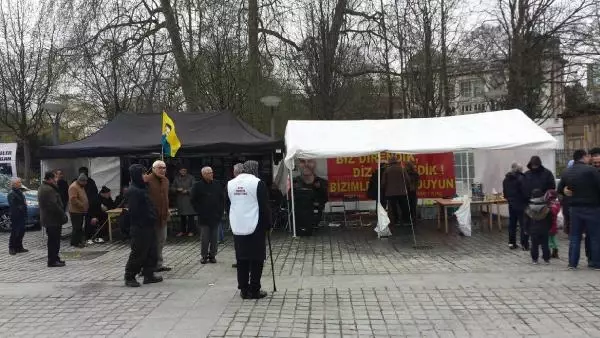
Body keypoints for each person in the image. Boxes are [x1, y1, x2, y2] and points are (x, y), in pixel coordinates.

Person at [227, 160, 272, 299]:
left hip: (237, 225)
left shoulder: (230, 183)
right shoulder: (258, 183)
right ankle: (254, 289)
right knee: (257, 258)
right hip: (255, 225)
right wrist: (268, 225)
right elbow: (264, 206)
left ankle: (243, 289)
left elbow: (228, 204)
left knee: (241, 259)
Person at [557, 149, 600, 270]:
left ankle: (572, 263)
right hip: (593, 208)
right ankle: (596, 263)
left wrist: (566, 192)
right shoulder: (592, 171)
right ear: (584, 157)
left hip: (575, 209)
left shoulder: (566, 172)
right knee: (595, 236)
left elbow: (560, 190)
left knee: (575, 236)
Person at [124, 164, 163, 287]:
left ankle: (149, 274)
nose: (146, 176)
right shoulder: (134, 191)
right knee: (138, 252)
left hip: (149, 226)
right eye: (143, 174)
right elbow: (135, 212)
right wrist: (148, 218)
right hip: (140, 227)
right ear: (137, 176)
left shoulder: (142, 188)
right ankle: (130, 276)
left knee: (152, 251)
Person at [191, 166, 224, 264]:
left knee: (214, 238)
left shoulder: (217, 184)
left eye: (212, 172)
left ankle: (212, 255)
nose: (211, 174)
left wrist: (220, 211)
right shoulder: (197, 185)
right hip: (203, 216)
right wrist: (199, 211)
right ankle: (204, 256)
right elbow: (193, 200)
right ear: (203, 174)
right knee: (205, 238)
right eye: (209, 173)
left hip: (215, 216)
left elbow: (222, 198)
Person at [521, 156, 556, 249]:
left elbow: (552, 187)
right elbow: (522, 188)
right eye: (533, 165)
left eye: (536, 165)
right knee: (529, 223)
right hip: (530, 202)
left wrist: (547, 198)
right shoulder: (527, 175)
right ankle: (527, 244)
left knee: (543, 223)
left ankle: (544, 245)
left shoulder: (546, 173)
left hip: (543, 202)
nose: (534, 167)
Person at [146, 160, 172, 272]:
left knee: (162, 240)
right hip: (151, 217)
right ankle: (149, 265)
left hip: (163, 216)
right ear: (153, 169)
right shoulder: (147, 180)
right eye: (159, 167)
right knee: (151, 242)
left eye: (164, 167)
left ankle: (159, 263)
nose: (162, 170)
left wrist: (167, 210)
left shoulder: (166, 180)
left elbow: (165, 198)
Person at [38, 171, 68, 267]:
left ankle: (55, 258)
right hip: (52, 219)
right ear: (50, 179)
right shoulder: (48, 189)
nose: (56, 179)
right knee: (53, 241)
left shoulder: (45, 187)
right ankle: (52, 260)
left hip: (51, 219)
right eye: (55, 177)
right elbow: (53, 205)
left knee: (54, 240)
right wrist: (62, 214)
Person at [502, 162, 528, 250]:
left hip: (511, 204)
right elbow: (525, 192)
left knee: (512, 224)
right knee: (523, 224)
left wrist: (510, 199)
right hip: (521, 204)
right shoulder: (522, 178)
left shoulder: (506, 179)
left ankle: (511, 243)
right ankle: (524, 244)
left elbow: (505, 194)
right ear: (520, 170)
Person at [525, 189, 552, 264]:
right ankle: (546, 259)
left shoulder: (529, 208)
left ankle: (535, 259)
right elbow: (550, 220)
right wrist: (549, 227)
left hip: (533, 229)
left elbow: (526, 221)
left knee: (534, 245)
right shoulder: (546, 208)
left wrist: (526, 229)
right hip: (544, 229)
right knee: (545, 244)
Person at [382, 156, 410, 226]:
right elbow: (407, 180)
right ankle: (406, 221)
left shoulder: (387, 170)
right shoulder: (402, 169)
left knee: (393, 208)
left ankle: (396, 221)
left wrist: (385, 189)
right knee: (404, 207)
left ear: (390, 162)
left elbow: (383, 182)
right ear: (396, 162)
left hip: (390, 193)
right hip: (402, 192)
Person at [171, 167, 196, 237]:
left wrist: (187, 190)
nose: (183, 172)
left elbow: (194, 187)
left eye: (184, 170)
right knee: (182, 217)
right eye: (182, 170)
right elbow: (172, 188)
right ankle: (182, 231)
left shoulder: (191, 178)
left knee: (190, 216)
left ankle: (191, 231)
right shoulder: (176, 179)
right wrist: (177, 189)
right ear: (179, 171)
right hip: (180, 200)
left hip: (189, 200)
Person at [68, 174, 90, 248]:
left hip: (80, 211)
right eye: (85, 182)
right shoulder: (73, 187)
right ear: (81, 181)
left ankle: (79, 241)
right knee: (76, 227)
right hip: (75, 211)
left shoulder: (81, 186)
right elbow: (73, 199)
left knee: (80, 227)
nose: (86, 183)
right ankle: (75, 243)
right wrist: (82, 205)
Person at [8, 177, 27, 255]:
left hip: (22, 215)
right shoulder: (11, 193)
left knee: (22, 231)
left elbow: (22, 201)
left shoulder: (19, 191)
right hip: (15, 216)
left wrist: (24, 205)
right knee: (15, 232)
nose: (20, 184)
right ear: (14, 184)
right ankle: (11, 247)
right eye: (19, 182)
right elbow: (14, 205)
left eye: (20, 182)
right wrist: (23, 206)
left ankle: (19, 246)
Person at [230, 163, 244, 269]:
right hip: (240, 216)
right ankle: (241, 259)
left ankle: (241, 260)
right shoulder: (232, 183)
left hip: (238, 216)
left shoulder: (231, 184)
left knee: (239, 241)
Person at [546, 190, 561, 259]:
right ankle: (555, 251)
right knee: (553, 238)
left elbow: (551, 212)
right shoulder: (557, 203)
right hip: (554, 223)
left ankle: (548, 252)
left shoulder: (549, 204)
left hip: (548, 224)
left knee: (548, 239)